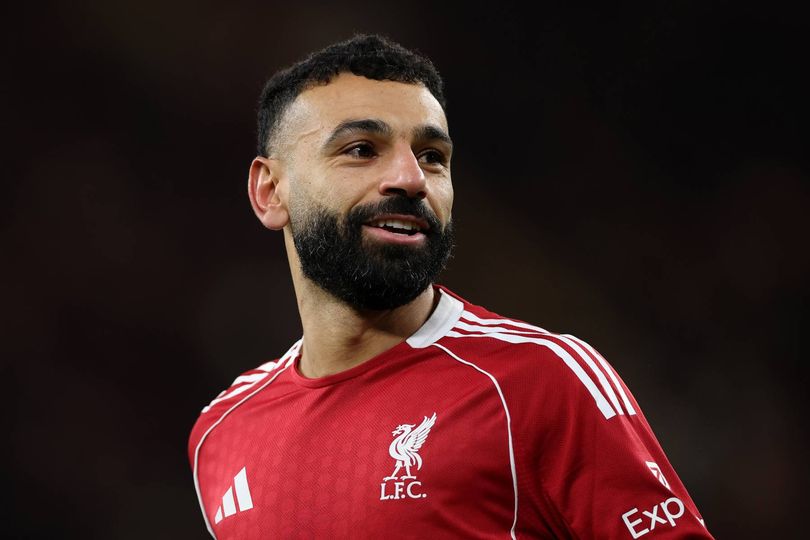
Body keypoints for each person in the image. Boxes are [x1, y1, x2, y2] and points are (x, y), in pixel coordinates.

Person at [188, 34, 713, 539]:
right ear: (270, 191)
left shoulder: (538, 380)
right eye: (362, 149)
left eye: (432, 156)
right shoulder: (222, 432)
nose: (411, 178)